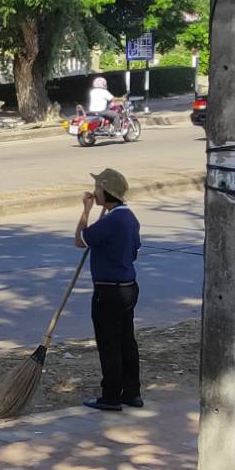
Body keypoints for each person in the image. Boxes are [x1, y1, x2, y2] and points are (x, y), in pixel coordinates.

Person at [74, 169, 143, 411]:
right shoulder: (129, 218)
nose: (95, 192)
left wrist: (86, 210)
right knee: (126, 341)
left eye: (98, 188)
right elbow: (134, 251)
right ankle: (132, 392)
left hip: (109, 291)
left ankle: (111, 395)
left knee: (110, 343)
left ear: (108, 193)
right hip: (127, 288)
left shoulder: (112, 220)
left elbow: (80, 239)